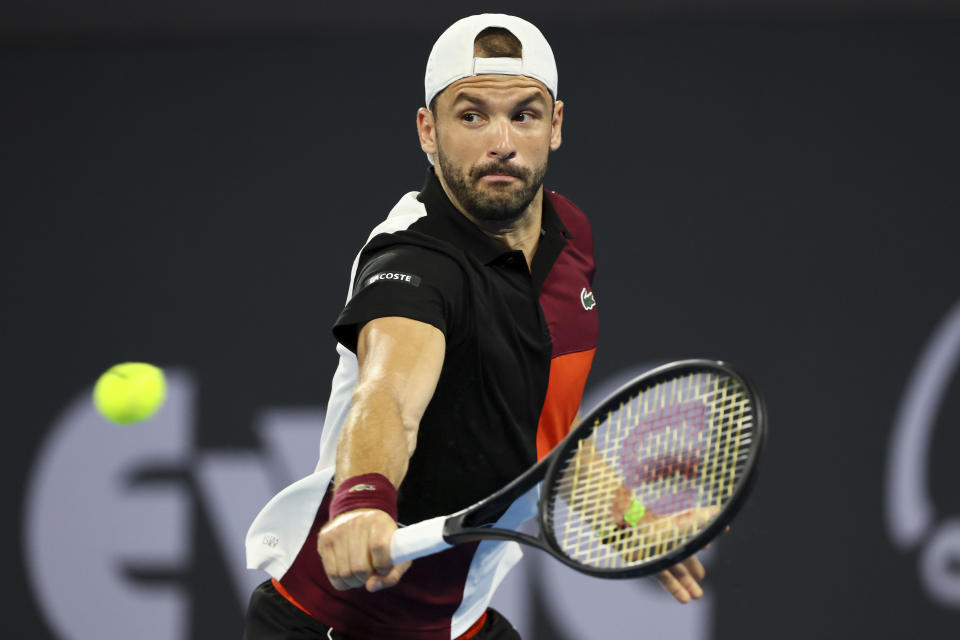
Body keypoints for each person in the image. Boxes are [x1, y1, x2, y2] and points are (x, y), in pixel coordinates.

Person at [243, 14, 708, 640]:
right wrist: (362, 501)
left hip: (460, 624)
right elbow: (388, 398)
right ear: (427, 131)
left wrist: (630, 523)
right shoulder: (414, 261)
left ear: (557, 126)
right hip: (335, 625)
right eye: (471, 116)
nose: (502, 142)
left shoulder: (568, 240)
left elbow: (546, 431)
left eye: (524, 114)